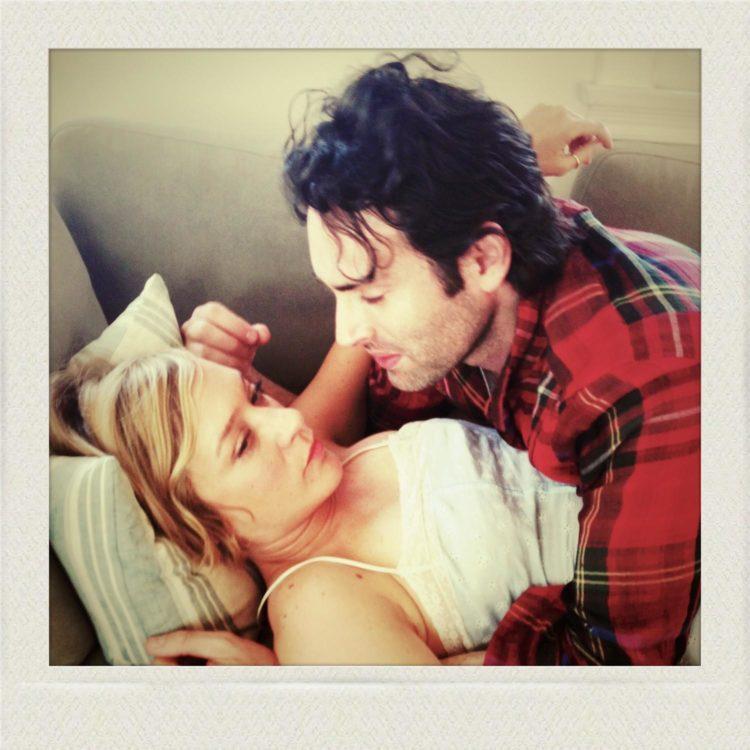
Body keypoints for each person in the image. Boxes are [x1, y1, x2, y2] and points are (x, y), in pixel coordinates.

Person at [179, 55, 700, 665]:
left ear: (483, 261)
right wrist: (232, 382)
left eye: (371, 293)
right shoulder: (462, 283)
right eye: (337, 292)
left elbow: (610, 670)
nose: (347, 332)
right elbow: (337, 433)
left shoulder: (634, 388)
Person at [50, 348, 583, 665]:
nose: (287, 420)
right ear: (207, 530)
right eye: (242, 444)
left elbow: (358, 326)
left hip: (606, 464)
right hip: (624, 587)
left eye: (253, 394)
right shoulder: (316, 610)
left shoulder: (318, 455)